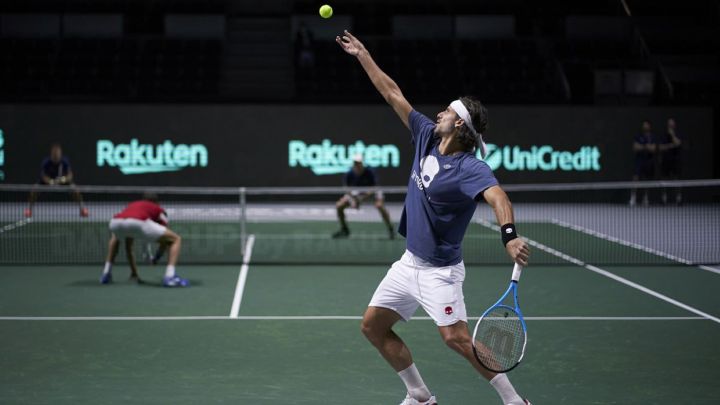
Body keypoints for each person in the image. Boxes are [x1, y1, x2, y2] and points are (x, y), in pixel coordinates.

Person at [336, 31, 531, 405]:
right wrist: (362, 54)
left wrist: (509, 236)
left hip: (440, 270)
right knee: (372, 327)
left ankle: (514, 401)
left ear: (460, 125)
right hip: (408, 263)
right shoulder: (425, 134)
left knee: (456, 339)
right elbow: (391, 92)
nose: (439, 112)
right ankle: (420, 395)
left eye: (448, 111)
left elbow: (498, 196)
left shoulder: (468, 168)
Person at [100, 192, 188, 287]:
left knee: (115, 238)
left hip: (115, 223)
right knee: (175, 239)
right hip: (139, 222)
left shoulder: (133, 205)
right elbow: (166, 241)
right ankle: (170, 276)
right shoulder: (159, 209)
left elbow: (128, 248)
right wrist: (157, 258)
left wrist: (134, 272)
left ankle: (106, 273)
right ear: (157, 202)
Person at [332, 153, 395, 239]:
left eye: (358, 162)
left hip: (371, 193)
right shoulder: (349, 173)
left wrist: (361, 199)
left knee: (379, 206)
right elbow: (347, 189)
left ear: (362, 163)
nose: (356, 164)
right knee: (339, 205)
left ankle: (390, 229)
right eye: (355, 162)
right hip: (357, 194)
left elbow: (374, 188)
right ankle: (344, 229)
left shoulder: (370, 172)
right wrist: (354, 200)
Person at [25, 143, 88, 217]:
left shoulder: (64, 162)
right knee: (34, 190)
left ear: (60, 153)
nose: (56, 155)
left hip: (62, 181)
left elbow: (70, 175)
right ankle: (29, 210)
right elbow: (43, 176)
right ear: (52, 153)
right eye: (55, 153)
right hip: (47, 182)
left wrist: (63, 179)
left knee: (75, 190)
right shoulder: (46, 162)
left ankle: (82, 209)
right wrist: (50, 181)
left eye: (58, 153)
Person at [629, 120, 657, 207]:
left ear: (649, 126)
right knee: (635, 178)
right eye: (644, 125)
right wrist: (646, 147)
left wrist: (643, 147)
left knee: (646, 179)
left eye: (646, 125)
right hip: (639, 161)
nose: (645, 126)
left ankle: (645, 198)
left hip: (648, 161)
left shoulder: (652, 137)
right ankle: (633, 198)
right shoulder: (638, 136)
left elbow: (653, 149)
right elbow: (635, 147)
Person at [659, 118, 683, 205]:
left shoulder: (678, 134)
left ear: (674, 125)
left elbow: (678, 143)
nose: (670, 126)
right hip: (666, 160)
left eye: (672, 124)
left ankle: (678, 198)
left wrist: (672, 135)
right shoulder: (664, 135)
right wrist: (671, 145)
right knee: (664, 179)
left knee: (676, 179)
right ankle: (664, 199)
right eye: (669, 124)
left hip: (675, 160)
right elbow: (661, 147)